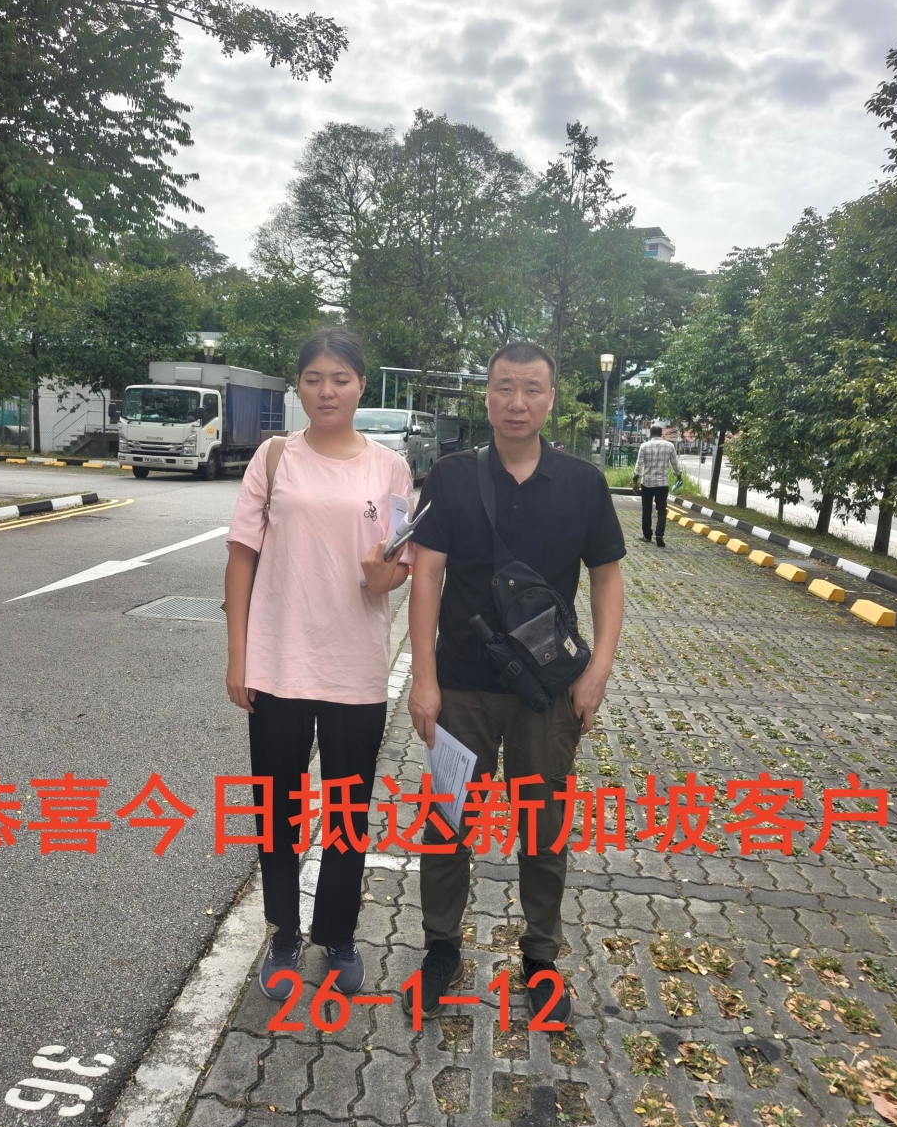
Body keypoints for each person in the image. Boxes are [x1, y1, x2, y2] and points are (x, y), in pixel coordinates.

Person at [405, 342, 626, 1024]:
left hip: (548, 694)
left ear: (551, 398)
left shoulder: (582, 483)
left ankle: (541, 958)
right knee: (448, 821)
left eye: (532, 389)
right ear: (487, 395)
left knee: (543, 826)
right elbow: (426, 574)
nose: (517, 402)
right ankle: (441, 947)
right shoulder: (451, 476)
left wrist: (597, 672)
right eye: (505, 387)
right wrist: (423, 677)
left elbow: (607, 578)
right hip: (461, 688)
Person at [223, 327, 414, 1001]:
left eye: (340, 378)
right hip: (278, 662)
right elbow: (241, 556)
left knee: (346, 809)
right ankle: (282, 930)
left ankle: (336, 932)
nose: (327, 390)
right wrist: (238, 655)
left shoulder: (390, 468)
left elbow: (399, 565)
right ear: (298, 386)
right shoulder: (275, 457)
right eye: (314, 379)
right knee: (278, 806)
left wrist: (385, 576)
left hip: (354, 666)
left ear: (362, 384)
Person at [632, 425, 682, 547]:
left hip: (647, 482)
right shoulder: (669, 446)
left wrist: (635, 480)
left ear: (650, 434)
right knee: (661, 509)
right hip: (662, 483)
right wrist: (678, 476)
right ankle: (659, 534)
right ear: (661, 434)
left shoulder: (644, 446)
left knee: (646, 509)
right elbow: (675, 463)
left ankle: (647, 535)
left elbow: (639, 465)